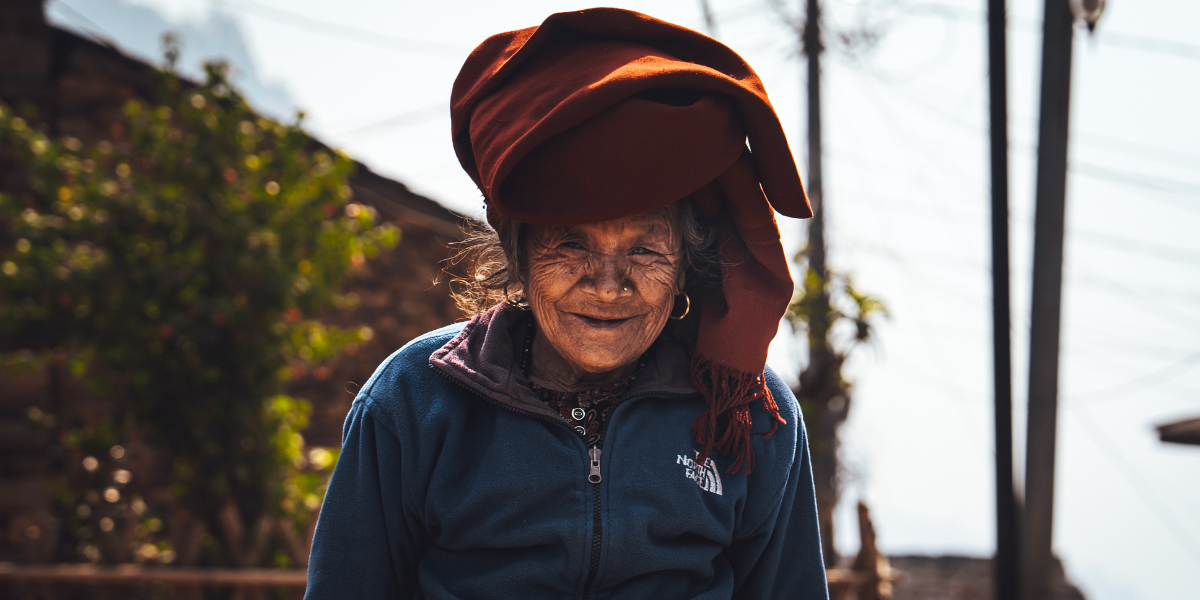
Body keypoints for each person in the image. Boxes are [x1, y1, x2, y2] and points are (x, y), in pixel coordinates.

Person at [305, 8, 828, 599]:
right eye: (571, 244)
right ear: (518, 254)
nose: (607, 285)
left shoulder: (749, 417)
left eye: (645, 249)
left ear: (688, 261)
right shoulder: (416, 399)